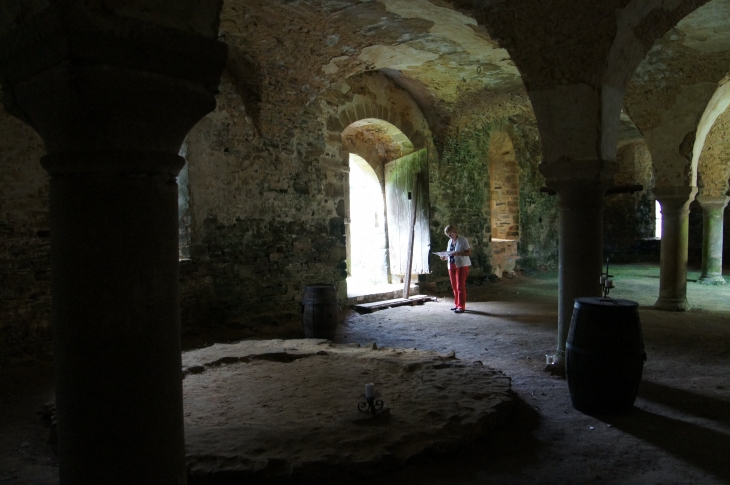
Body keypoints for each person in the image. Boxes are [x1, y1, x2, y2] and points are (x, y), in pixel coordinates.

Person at [441, 224, 471, 313]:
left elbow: (469, 253)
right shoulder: (450, 241)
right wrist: (444, 257)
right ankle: (457, 304)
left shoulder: (463, 240)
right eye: (448, 235)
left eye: (450, 234)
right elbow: (449, 254)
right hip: (451, 265)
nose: (449, 237)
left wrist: (458, 253)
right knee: (454, 286)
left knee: (460, 286)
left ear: (454, 232)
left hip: (461, 265)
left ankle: (461, 306)